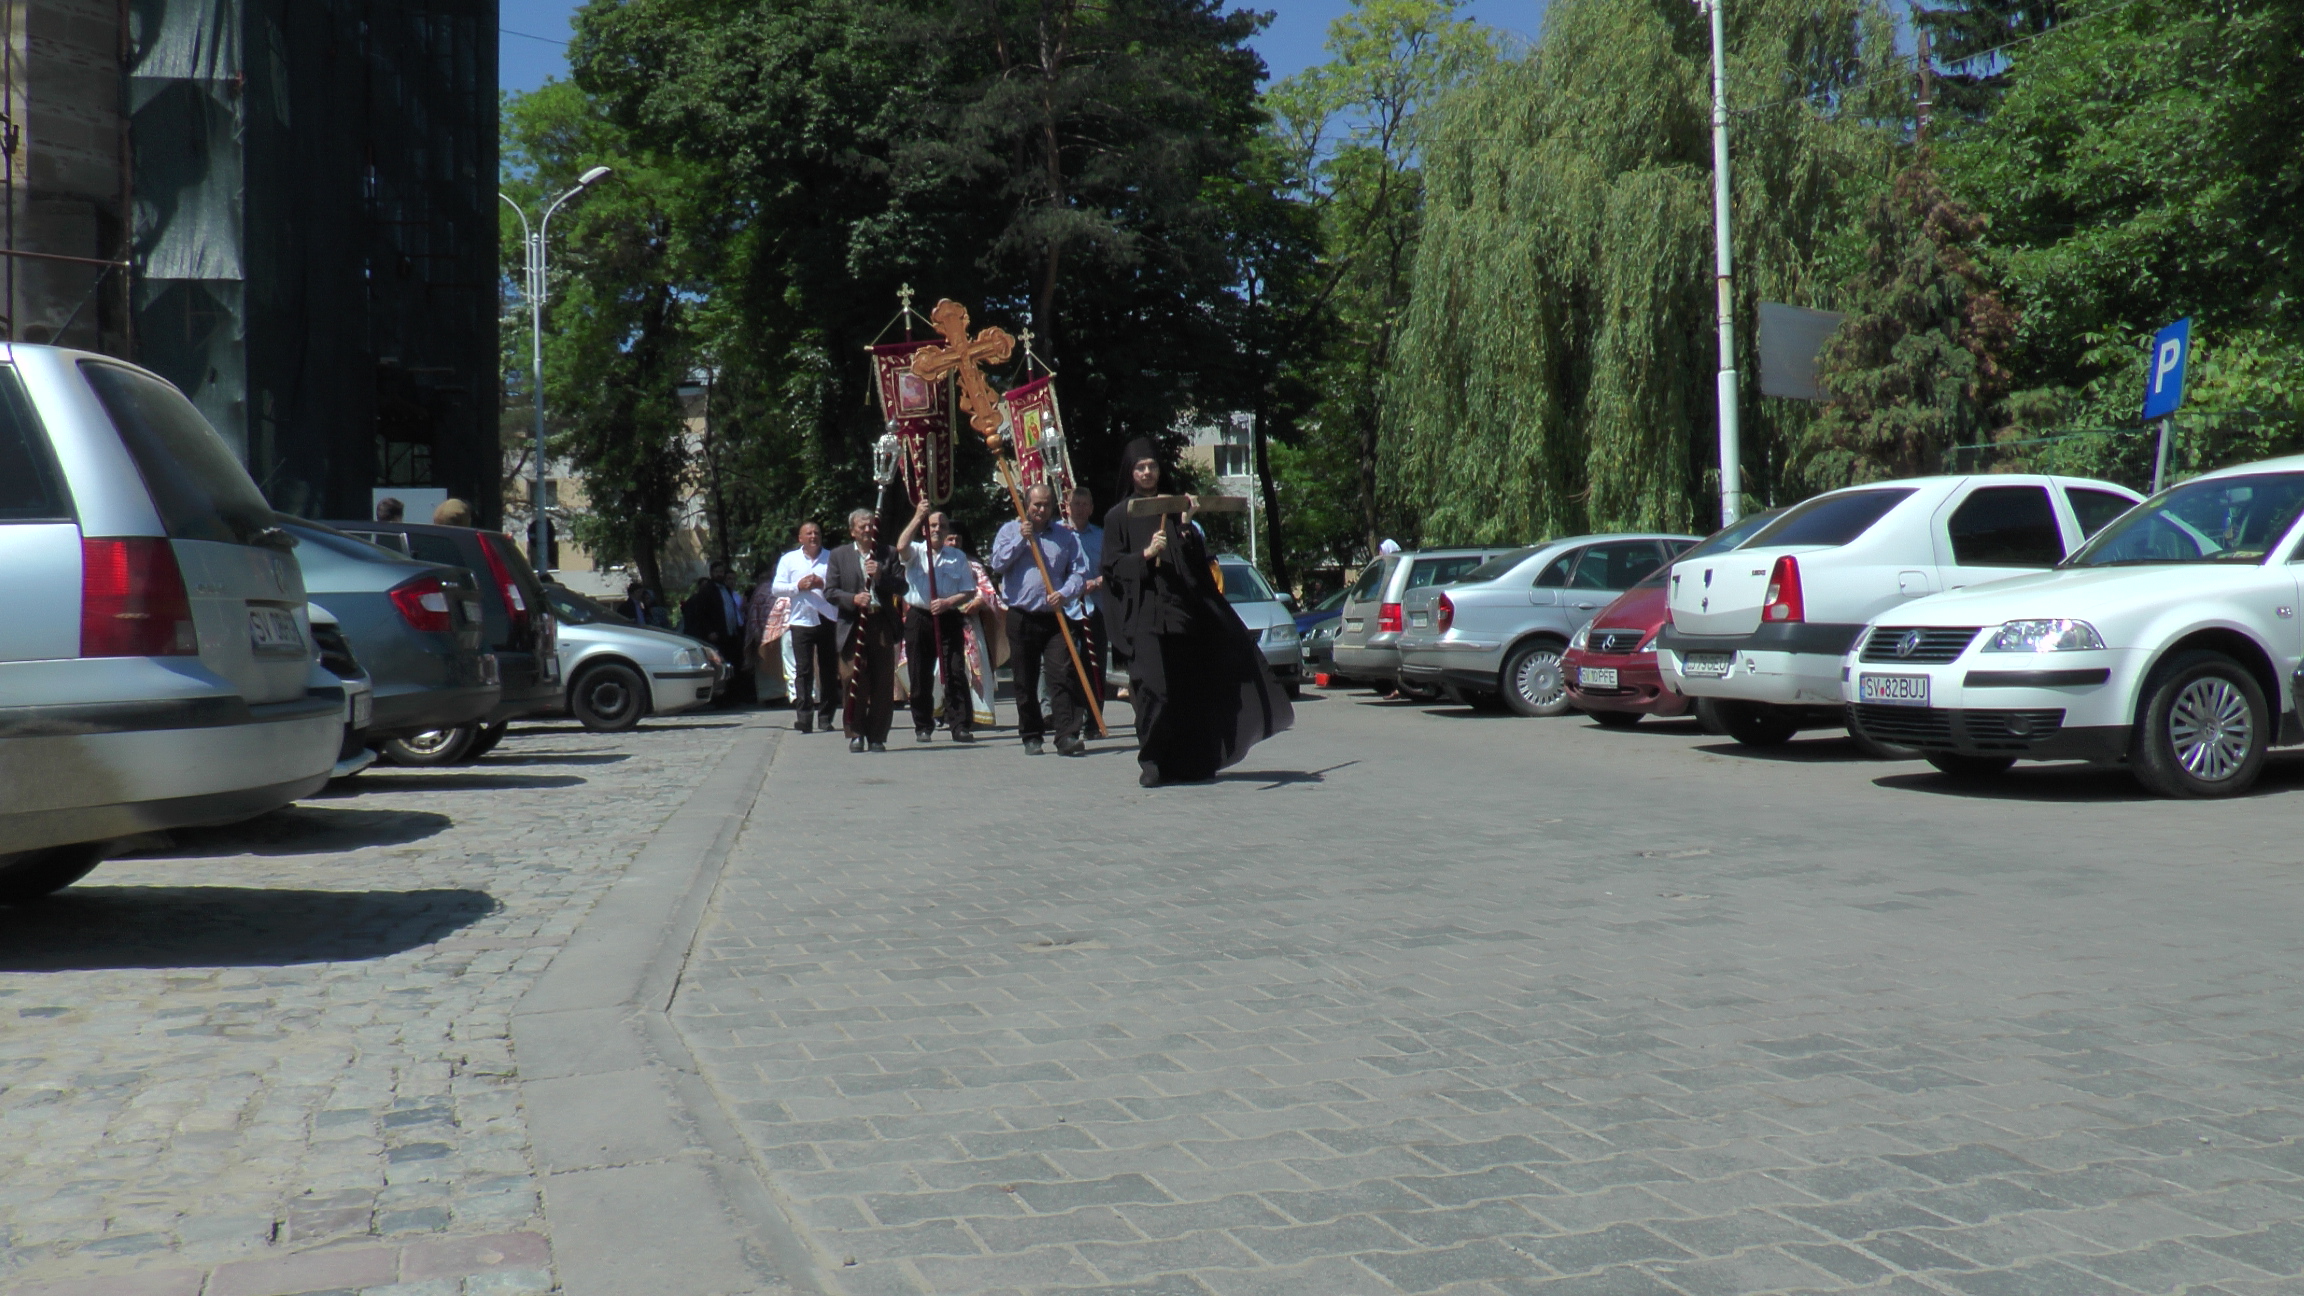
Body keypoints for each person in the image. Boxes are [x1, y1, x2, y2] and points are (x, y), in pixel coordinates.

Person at [1100, 438, 1293, 786]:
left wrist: (1186, 526)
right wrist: (1144, 556)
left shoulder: (1174, 509)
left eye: (1152, 466)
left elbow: (1194, 564)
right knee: (1153, 690)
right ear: (1131, 473)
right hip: (1142, 615)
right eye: (1140, 467)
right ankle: (1153, 760)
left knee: (1184, 690)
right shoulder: (1118, 515)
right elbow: (1112, 567)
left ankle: (1184, 762)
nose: (1147, 472)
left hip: (1179, 614)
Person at [990, 482, 1091, 756]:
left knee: (1061, 674)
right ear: (1026, 504)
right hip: (1021, 615)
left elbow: (1079, 573)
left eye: (1046, 504)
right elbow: (997, 564)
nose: (1041, 510)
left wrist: (1064, 593)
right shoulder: (1010, 531)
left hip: (1054, 617)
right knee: (1025, 678)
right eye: (1036, 504)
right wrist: (1021, 540)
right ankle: (1031, 734)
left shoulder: (1064, 536)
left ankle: (1066, 735)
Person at [894, 498, 979, 743]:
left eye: (941, 526)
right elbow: (901, 547)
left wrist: (948, 602)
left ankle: (960, 725)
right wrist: (918, 516)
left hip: (948, 616)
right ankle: (923, 724)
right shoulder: (916, 551)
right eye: (931, 525)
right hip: (919, 617)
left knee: (954, 671)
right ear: (924, 529)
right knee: (919, 674)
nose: (936, 530)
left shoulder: (957, 556)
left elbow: (969, 590)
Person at [823, 506, 907, 752]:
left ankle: (878, 735)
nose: (868, 530)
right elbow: (830, 591)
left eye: (871, 525)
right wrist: (852, 599)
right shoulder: (839, 556)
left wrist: (881, 576)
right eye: (863, 526)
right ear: (853, 531)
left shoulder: (887, 554)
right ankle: (856, 732)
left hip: (880, 623)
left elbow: (902, 587)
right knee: (852, 679)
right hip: (852, 625)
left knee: (882, 682)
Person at [772, 522, 840, 733]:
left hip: (827, 617)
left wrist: (823, 584)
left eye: (817, 533)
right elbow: (776, 588)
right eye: (808, 533)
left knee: (829, 671)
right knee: (803, 670)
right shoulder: (789, 559)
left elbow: (843, 584)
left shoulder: (832, 558)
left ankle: (826, 717)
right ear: (800, 538)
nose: (813, 536)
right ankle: (804, 717)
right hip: (801, 620)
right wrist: (797, 586)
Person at [1056, 484, 1108, 707]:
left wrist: (1096, 582)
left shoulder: (1101, 536)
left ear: (1091, 508)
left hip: (1096, 606)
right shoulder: (1056, 534)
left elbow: (1113, 570)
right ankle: (1067, 715)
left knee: (1094, 663)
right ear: (1067, 507)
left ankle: (1094, 719)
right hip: (1064, 607)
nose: (1079, 509)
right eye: (1075, 504)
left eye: (1084, 504)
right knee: (1064, 663)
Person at [745, 563, 788, 706]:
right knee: (766, 666)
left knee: (785, 665)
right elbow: (754, 612)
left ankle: (786, 694)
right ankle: (771, 697)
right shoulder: (763, 590)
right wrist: (756, 632)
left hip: (786, 632)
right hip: (766, 633)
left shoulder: (790, 587)